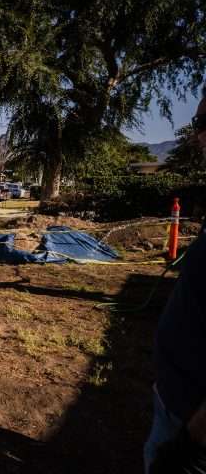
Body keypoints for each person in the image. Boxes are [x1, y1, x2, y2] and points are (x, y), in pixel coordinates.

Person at [146, 85, 206, 473]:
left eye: (204, 122)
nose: (197, 134)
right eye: (198, 122)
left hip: (190, 429)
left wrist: (189, 444)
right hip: (174, 403)